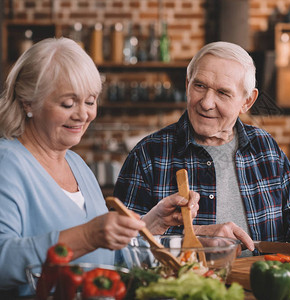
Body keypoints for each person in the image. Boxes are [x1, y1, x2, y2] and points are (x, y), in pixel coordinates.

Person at [0, 37, 200, 296]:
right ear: (28, 102)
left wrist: (154, 222)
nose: (83, 114)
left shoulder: (76, 164)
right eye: (68, 103)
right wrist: (86, 236)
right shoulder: (8, 163)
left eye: (90, 101)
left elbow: (107, 259)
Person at [114, 41, 290, 258]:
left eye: (223, 93)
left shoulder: (265, 147)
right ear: (187, 85)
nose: (207, 103)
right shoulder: (148, 154)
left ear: (247, 102)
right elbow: (119, 245)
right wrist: (190, 238)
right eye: (199, 86)